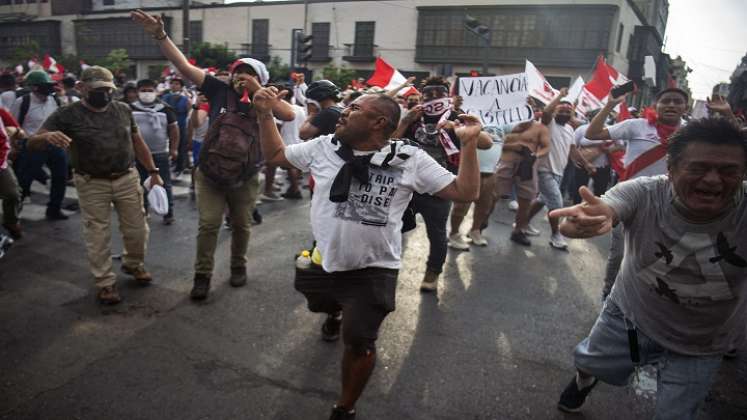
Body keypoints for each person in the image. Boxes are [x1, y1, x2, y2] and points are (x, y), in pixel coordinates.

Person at [252, 87, 482, 420]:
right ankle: (334, 312)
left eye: (354, 108)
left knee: (359, 342)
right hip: (324, 261)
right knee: (319, 302)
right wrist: (263, 113)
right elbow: (275, 156)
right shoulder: (323, 146)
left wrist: (470, 143)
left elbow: (466, 191)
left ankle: (345, 407)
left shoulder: (409, 159)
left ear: (378, 122)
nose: (344, 111)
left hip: (373, 270)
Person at [551, 118, 747, 420]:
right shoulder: (644, 192)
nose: (712, 180)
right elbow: (605, 207)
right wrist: (584, 222)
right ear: (671, 168)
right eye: (698, 168)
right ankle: (584, 382)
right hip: (630, 316)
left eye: (728, 171)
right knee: (588, 365)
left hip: (704, 342)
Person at [132, 9, 295, 300]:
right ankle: (202, 276)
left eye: (249, 73)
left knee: (243, 225)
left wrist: (258, 92)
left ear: (261, 78)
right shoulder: (218, 89)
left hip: (244, 176)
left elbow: (289, 115)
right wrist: (159, 34)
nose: (240, 77)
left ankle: (237, 266)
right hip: (209, 173)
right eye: (238, 72)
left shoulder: (267, 99)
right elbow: (180, 64)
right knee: (208, 224)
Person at [28, 66, 164, 305]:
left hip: (126, 177)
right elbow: (32, 143)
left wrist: (153, 171)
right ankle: (105, 282)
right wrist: (46, 137)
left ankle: (133, 264)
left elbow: (137, 141)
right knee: (97, 234)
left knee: (138, 229)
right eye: (98, 89)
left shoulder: (122, 109)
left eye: (108, 89)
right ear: (82, 88)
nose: (105, 94)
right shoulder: (66, 114)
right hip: (92, 182)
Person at [586, 87, 690, 298]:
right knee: (620, 256)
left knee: (659, 258)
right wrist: (610, 105)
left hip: (670, 203)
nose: (671, 105)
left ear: (685, 108)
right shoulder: (637, 125)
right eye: (666, 101)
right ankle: (610, 296)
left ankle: (640, 301)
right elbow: (592, 134)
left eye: (677, 101)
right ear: (656, 106)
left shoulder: (692, 132)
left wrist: (726, 115)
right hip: (630, 200)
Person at [394, 76, 492, 292]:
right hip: (407, 188)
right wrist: (404, 121)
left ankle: (433, 273)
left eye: (439, 92)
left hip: (441, 189)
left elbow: (487, 142)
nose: (433, 97)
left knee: (436, 233)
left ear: (447, 95)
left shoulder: (457, 117)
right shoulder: (413, 114)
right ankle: (386, 267)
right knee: (391, 228)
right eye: (428, 93)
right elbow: (389, 143)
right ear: (421, 95)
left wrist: (467, 133)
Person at [525, 89, 589, 250]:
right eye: (562, 110)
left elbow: (573, 149)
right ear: (556, 111)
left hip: (558, 172)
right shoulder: (548, 123)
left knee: (541, 200)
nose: (565, 112)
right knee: (557, 203)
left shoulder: (569, 129)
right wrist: (560, 96)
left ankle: (522, 223)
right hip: (544, 170)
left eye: (569, 111)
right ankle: (556, 235)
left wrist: (586, 163)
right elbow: (546, 111)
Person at [10, 70, 68, 221]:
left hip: (53, 144)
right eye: (46, 85)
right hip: (32, 145)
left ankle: (54, 209)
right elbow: (14, 126)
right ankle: (14, 214)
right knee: (24, 180)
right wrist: (16, 146)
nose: (50, 88)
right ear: (35, 87)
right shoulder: (23, 102)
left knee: (61, 177)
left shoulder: (54, 101)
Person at [495, 110, 551, 246]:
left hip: (527, 166)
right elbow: (494, 142)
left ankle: (518, 231)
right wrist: (513, 146)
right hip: (505, 162)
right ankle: (479, 225)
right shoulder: (504, 123)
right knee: (493, 195)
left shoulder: (540, 128)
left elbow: (546, 147)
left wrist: (536, 155)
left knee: (525, 200)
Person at [130, 78, 179, 224]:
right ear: (137, 92)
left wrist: (174, 149)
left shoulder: (165, 108)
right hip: (137, 154)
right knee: (139, 184)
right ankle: (143, 211)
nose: (146, 93)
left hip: (160, 153)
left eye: (150, 90)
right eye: (143, 90)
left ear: (156, 91)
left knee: (164, 183)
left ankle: (168, 213)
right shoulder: (129, 108)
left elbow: (174, 129)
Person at [0, 107, 23, 240]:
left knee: (12, 194)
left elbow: (17, 131)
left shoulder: (1, 112)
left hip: (1, 162)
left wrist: (15, 131)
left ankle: (11, 221)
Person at [161, 77, 191, 173]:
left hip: (181, 124)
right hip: (167, 124)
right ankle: (171, 162)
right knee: (168, 144)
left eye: (177, 84)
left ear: (181, 87)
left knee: (181, 144)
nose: (174, 85)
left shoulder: (185, 98)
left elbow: (189, 111)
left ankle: (180, 165)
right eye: (172, 83)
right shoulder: (165, 97)